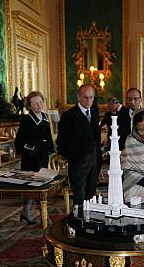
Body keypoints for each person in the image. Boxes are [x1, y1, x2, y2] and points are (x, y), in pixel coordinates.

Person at [57, 84, 101, 206]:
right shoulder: (68, 116)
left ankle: (89, 221)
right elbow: (61, 141)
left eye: (91, 97)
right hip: (77, 163)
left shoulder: (94, 112)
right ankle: (78, 222)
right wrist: (72, 157)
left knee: (90, 196)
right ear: (78, 97)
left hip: (94, 161)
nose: (88, 101)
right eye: (86, 97)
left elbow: (95, 137)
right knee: (80, 199)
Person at [14, 91, 54, 224]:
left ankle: (28, 213)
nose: (39, 105)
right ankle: (42, 215)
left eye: (41, 102)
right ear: (30, 106)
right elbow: (19, 142)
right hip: (30, 158)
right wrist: (33, 149)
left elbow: (48, 137)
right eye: (35, 103)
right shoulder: (26, 119)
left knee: (42, 185)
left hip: (43, 157)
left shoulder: (45, 117)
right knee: (32, 186)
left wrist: (51, 150)